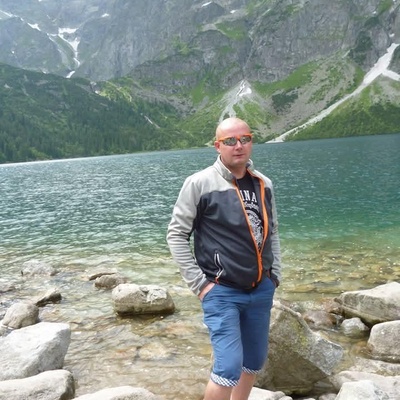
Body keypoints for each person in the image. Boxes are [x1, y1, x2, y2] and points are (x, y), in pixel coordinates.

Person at [166, 117, 282, 400]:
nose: (238, 145)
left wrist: (274, 275)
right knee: (227, 367)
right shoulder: (199, 183)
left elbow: (273, 231)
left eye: (244, 139)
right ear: (218, 146)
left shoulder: (263, 183)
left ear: (251, 141)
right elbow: (176, 235)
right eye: (230, 141)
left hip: (261, 288)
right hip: (221, 291)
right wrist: (201, 285)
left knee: (253, 361)